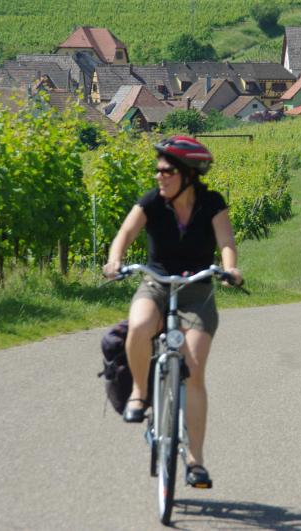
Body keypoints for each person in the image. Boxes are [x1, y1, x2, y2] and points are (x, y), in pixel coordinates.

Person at [102, 136, 242, 489]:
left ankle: (195, 462)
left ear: (188, 175)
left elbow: (225, 242)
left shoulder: (211, 203)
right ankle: (139, 392)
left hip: (198, 289)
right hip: (156, 282)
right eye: (158, 170)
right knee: (140, 326)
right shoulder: (152, 201)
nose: (159, 176)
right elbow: (125, 233)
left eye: (166, 171)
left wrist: (231, 269)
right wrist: (115, 260)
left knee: (193, 368)